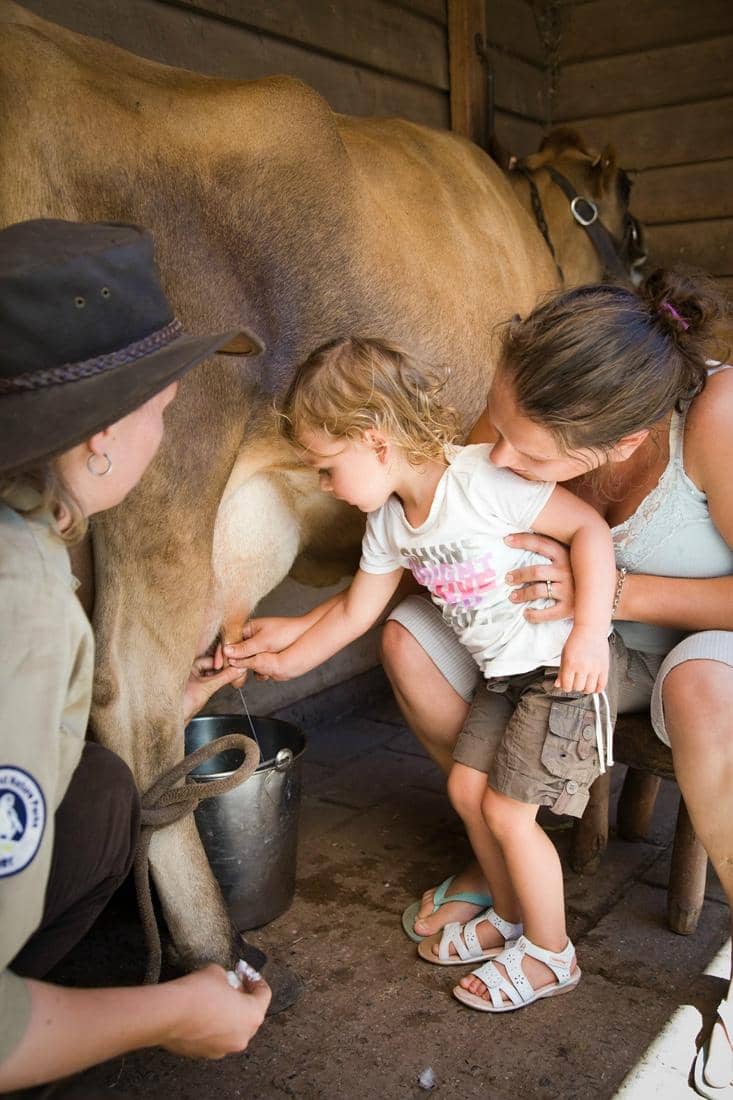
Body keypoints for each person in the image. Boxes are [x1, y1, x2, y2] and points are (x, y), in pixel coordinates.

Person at [370, 270, 731, 1089]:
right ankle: (506, 858)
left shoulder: (716, 419)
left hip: (695, 640)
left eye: (528, 452)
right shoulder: (527, 400)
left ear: (623, 443)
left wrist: (610, 594)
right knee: (407, 642)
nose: (498, 454)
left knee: (704, 695)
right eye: (498, 425)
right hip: (557, 641)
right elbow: (450, 510)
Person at [225, 335, 619, 1014]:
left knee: (505, 810)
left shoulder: (480, 480)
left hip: (556, 671)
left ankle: (553, 955)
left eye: (325, 467)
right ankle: (508, 915)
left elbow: (588, 531)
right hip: (503, 679)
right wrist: (277, 661)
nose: (324, 486)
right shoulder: (388, 525)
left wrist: (588, 632)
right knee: (468, 791)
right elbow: (354, 613)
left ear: (375, 442)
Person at [0, 219, 271, 1093]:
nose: (166, 431)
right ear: (96, 438)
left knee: (100, 789)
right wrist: (175, 1015)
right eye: (160, 409)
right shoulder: (29, 606)